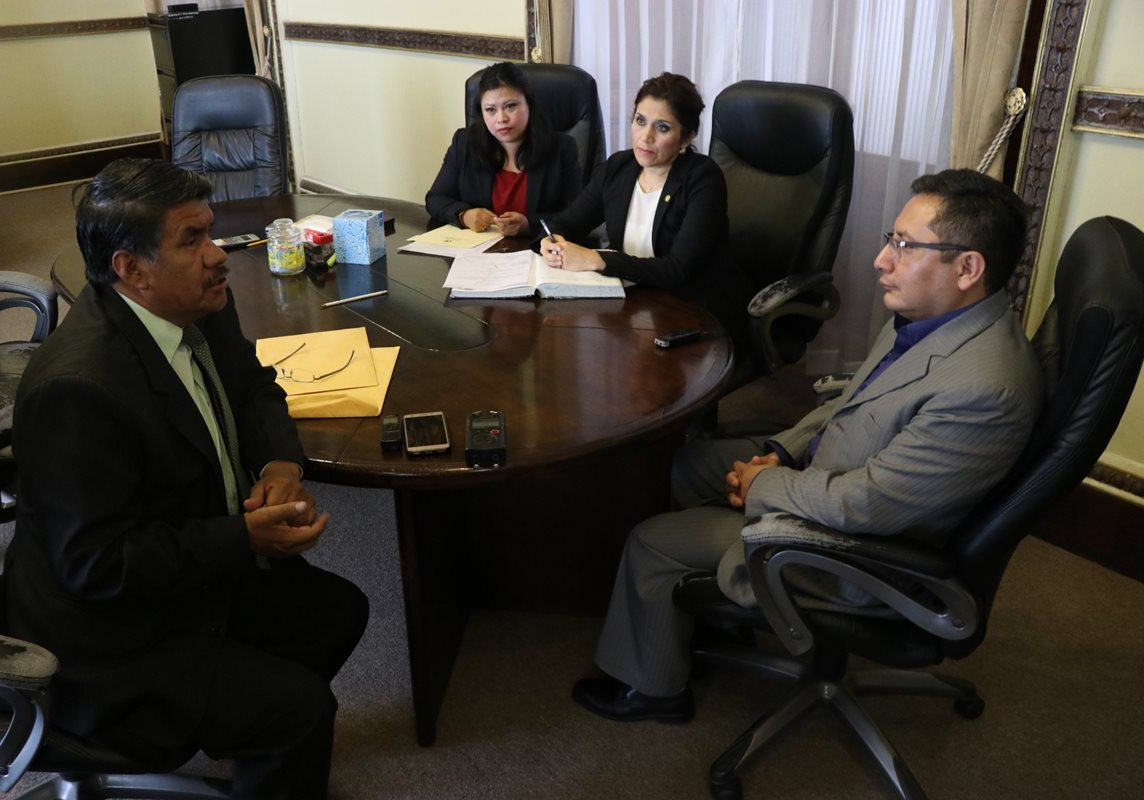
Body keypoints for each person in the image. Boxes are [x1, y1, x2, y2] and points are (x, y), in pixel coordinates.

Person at [571, 168, 1044, 722]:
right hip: (832, 470)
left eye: (904, 246)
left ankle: (651, 689)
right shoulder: (931, 315)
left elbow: (865, 505)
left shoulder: (983, 387)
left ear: (968, 268)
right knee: (685, 465)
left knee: (651, 541)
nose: (881, 260)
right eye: (890, 239)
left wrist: (764, 483)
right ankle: (704, 614)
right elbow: (851, 403)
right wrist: (782, 450)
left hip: (855, 549)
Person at [5, 158, 369, 799]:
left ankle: (252, 737)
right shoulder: (79, 391)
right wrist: (243, 540)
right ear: (131, 269)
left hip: (186, 567)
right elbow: (98, 566)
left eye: (212, 231)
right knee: (299, 710)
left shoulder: (199, 303)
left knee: (340, 612)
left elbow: (255, 387)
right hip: (109, 637)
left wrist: (280, 463)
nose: (218, 254)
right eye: (192, 240)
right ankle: (261, 727)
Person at [541, 72, 747, 344]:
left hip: (695, 314)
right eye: (640, 121)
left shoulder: (703, 178)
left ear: (687, 137)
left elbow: (678, 270)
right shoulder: (618, 168)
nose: (645, 137)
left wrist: (597, 259)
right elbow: (565, 224)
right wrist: (549, 241)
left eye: (662, 127)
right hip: (634, 308)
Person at [426, 61, 581, 238]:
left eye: (510, 106)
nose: (501, 118)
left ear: (528, 104)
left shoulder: (561, 149)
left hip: (539, 256)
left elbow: (576, 217)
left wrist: (528, 224)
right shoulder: (464, 143)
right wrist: (464, 215)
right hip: (477, 257)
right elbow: (436, 199)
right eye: (490, 110)